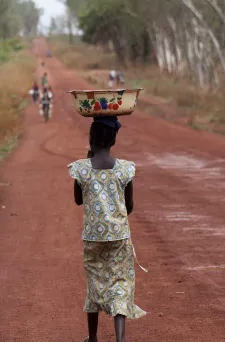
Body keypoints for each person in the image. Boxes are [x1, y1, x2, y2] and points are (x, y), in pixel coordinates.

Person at [68, 116, 145, 342]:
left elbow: (78, 200)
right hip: (119, 236)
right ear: (113, 140)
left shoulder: (81, 169)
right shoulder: (124, 169)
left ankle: (93, 338)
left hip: (92, 238)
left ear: (91, 140)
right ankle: (120, 339)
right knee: (120, 284)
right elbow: (128, 206)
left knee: (95, 285)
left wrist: (86, 161)